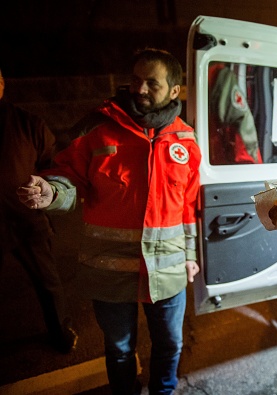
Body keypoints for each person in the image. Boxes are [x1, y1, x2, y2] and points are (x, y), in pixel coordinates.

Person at [17, 48, 201, 395]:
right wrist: (53, 192)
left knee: (170, 345)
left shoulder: (186, 140)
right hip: (109, 273)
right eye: (136, 79)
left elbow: (188, 204)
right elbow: (67, 178)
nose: (140, 88)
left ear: (175, 91)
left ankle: (163, 391)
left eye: (152, 83)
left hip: (168, 272)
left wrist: (190, 255)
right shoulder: (97, 127)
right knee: (119, 351)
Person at [0, 68, 77, 354]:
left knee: (48, 283)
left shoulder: (27, 124)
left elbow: (55, 168)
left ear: (3, 84)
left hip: (27, 221)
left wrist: (51, 191)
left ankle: (59, 332)